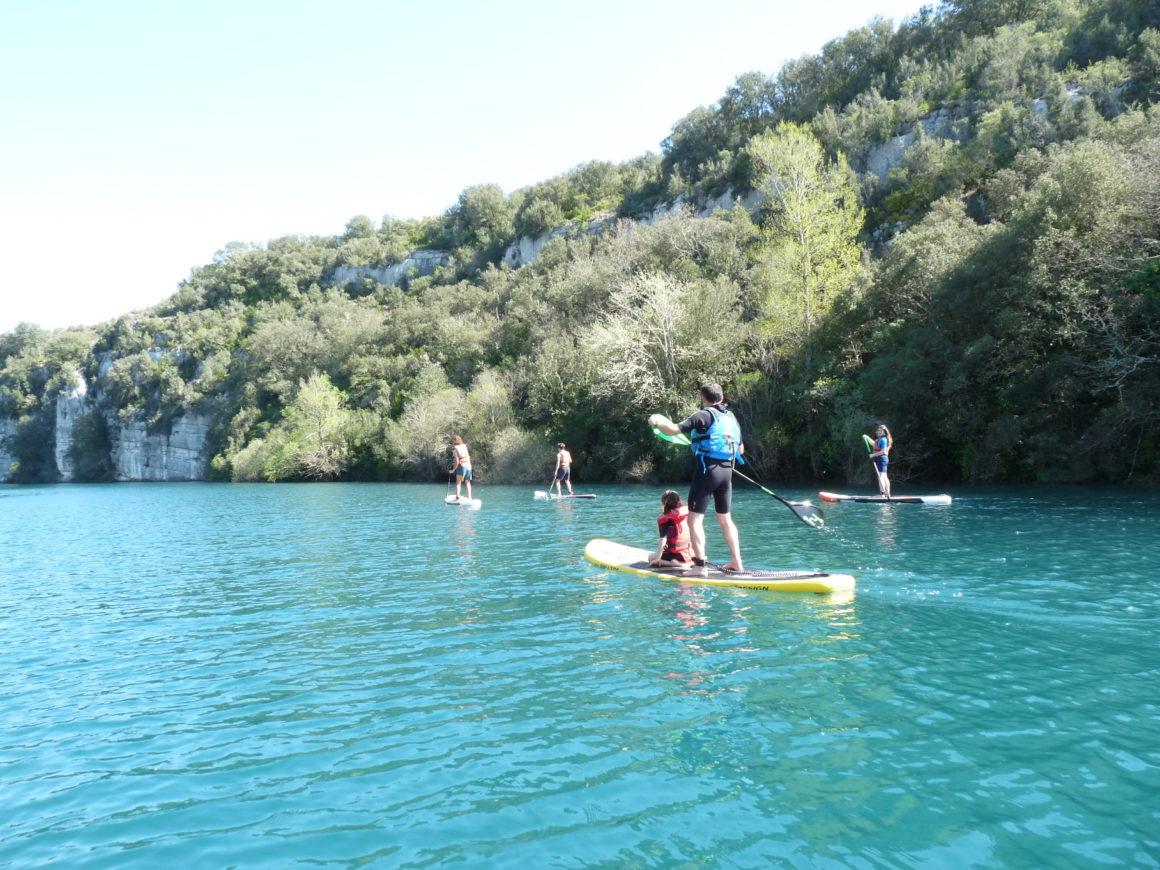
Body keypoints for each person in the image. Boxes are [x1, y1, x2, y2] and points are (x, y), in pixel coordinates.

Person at [648, 383, 744, 574]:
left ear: (703, 399)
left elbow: (673, 430)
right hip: (727, 471)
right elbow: (740, 449)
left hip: (707, 470)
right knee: (726, 520)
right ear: (722, 398)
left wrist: (656, 421)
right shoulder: (731, 417)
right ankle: (737, 562)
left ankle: (700, 567)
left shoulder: (702, 415)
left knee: (694, 520)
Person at [650, 489, 693, 568]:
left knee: (650, 557)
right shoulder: (687, 514)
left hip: (677, 556)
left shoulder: (667, 520)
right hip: (689, 553)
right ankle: (689, 562)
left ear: (664, 504)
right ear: (678, 502)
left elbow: (663, 540)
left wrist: (658, 558)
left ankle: (673, 564)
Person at [869, 424, 892, 498]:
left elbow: (883, 451)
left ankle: (882, 494)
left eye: (880, 431)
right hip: (882, 459)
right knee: (884, 476)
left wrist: (873, 455)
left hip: (882, 459)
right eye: (878, 430)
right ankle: (887, 494)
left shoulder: (883, 439)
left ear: (884, 432)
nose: (878, 432)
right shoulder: (880, 440)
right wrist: (866, 437)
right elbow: (874, 444)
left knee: (881, 476)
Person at [449, 435, 473, 501]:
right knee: (467, 482)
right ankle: (470, 497)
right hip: (468, 466)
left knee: (458, 482)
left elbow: (457, 461)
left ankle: (457, 497)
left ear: (454, 441)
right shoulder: (464, 445)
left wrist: (453, 470)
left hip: (462, 466)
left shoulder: (456, 449)